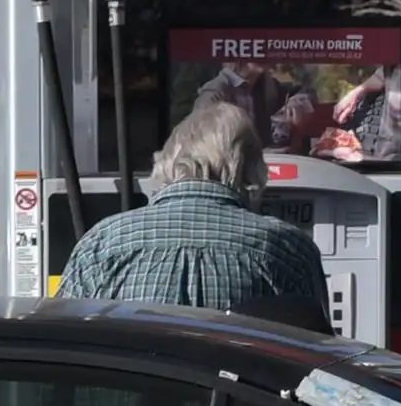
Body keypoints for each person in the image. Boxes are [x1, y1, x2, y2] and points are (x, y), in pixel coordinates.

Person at [59, 82, 336, 330]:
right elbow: (317, 363)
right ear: (251, 170)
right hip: (237, 388)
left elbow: (65, 343)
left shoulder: (102, 243)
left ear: (166, 162)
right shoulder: (289, 249)